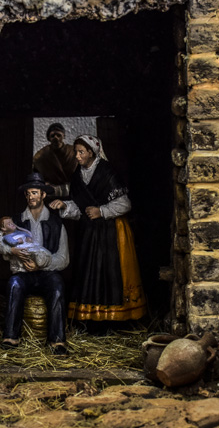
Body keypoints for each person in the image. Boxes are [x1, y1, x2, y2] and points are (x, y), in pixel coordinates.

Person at [49, 134, 146, 324]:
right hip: (89, 234)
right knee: (88, 272)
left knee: (111, 271)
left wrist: (101, 211)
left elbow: (125, 204)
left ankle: (115, 319)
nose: (77, 156)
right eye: (76, 152)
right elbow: (80, 209)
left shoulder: (107, 172)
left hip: (112, 233)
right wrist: (64, 206)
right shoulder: (77, 176)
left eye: (81, 152)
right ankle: (90, 320)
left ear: (92, 153)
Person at [0, 173, 69, 355]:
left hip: (46, 272)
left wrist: (41, 266)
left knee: (57, 285)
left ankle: (57, 340)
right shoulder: (15, 222)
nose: (30, 197)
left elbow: (63, 258)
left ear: (43, 195)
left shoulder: (56, 224)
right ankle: (11, 337)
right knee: (14, 284)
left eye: (34, 193)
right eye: (27, 194)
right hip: (24, 272)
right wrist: (12, 251)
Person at [32, 122, 76, 198]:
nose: (56, 138)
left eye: (59, 135)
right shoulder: (41, 155)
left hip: (74, 191)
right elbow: (35, 174)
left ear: (63, 136)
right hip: (51, 193)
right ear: (49, 138)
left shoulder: (73, 152)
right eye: (53, 136)